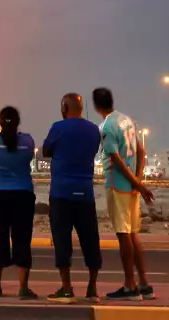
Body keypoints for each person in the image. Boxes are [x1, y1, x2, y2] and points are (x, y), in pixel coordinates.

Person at [92, 87, 155, 301]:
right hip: (131, 187)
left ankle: (130, 286)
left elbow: (116, 160)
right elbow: (142, 152)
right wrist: (138, 182)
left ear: (95, 106)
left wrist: (137, 185)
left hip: (118, 186)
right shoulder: (126, 120)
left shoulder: (107, 127)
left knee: (123, 235)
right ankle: (144, 284)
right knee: (133, 234)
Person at [42, 92, 102, 302]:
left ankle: (66, 288)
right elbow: (93, 151)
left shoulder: (58, 127)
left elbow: (46, 151)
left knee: (62, 240)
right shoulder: (94, 130)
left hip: (61, 193)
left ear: (64, 108)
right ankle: (92, 288)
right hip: (85, 193)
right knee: (90, 239)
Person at [0, 106, 37, 299]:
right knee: (22, 239)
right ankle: (23, 288)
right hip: (23, 194)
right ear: (18, 121)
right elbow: (29, 156)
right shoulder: (27, 140)